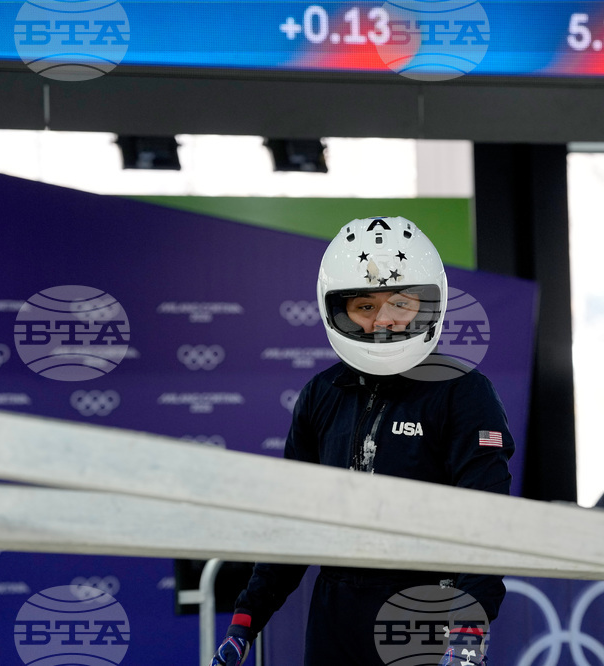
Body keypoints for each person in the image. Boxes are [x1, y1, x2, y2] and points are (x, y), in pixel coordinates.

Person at [210, 216, 515, 665]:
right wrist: (245, 621)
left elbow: (487, 519)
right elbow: (294, 520)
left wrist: (468, 632)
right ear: (338, 311)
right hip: (334, 614)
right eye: (365, 306)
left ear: (429, 304)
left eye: (401, 303)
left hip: (425, 608)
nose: (384, 320)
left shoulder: (463, 392)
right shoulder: (321, 393)